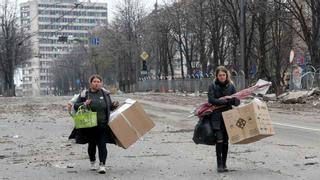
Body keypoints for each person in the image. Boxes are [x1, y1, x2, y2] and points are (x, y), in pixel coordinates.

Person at [69, 74, 119, 174]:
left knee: (102, 145)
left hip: (103, 125)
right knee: (91, 145)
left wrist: (113, 105)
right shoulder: (84, 94)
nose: (97, 83)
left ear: (101, 83)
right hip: (89, 126)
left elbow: (109, 107)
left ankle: (102, 165)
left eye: (98, 82)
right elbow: (75, 106)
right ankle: (92, 162)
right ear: (91, 83)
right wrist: (84, 103)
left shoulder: (105, 94)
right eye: (95, 81)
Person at [207, 66, 240, 173]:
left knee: (225, 141)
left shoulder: (231, 86)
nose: (222, 77)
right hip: (216, 116)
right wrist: (224, 101)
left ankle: (224, 164)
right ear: (217, 76)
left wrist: (232, 100)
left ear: (227, 75)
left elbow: (237, 101)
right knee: (219, 140)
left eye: (224, 75)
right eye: (220, 75)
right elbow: (211, 100)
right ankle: (219, 164)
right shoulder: (212, 85)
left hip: (228, 116)